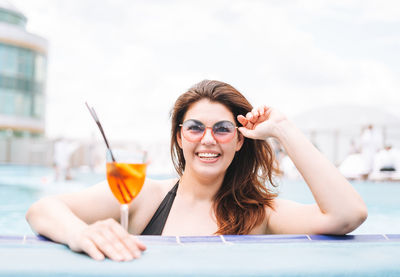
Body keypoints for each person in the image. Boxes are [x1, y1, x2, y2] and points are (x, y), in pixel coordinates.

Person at [26, 80, 367, 262]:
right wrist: (80, 234)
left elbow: (347, 215)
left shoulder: (259, 214)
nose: (208, 140)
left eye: (222, 128)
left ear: (239, 140)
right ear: (179, 137)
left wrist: (283, 129)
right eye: (194, 128)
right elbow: (43, 209)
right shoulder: (146, 196)